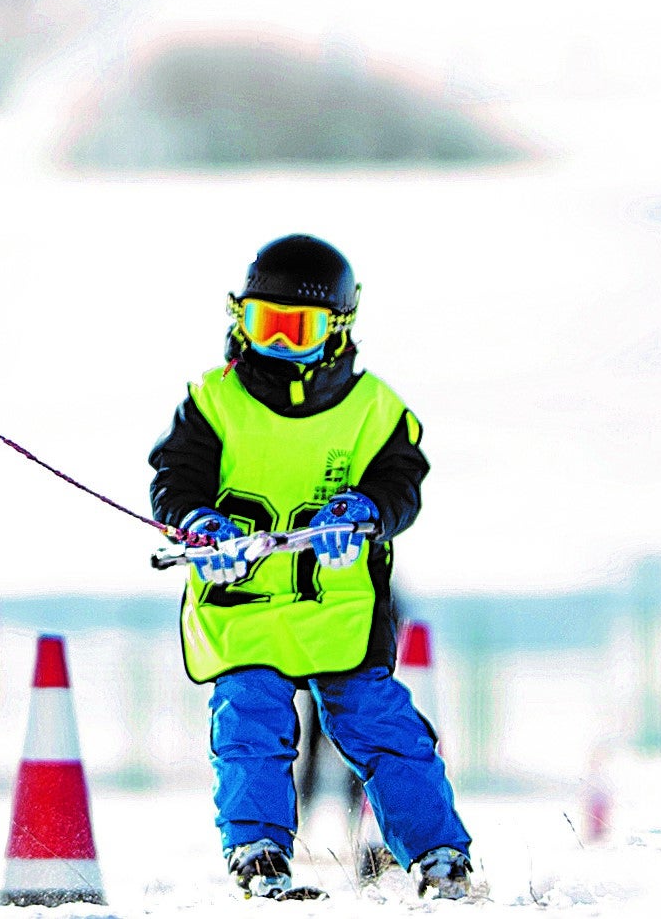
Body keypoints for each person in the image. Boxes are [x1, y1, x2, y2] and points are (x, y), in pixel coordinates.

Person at [148, 235, 474, 901]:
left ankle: (439, 855)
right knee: (249, 720)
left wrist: (368, 510)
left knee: (383, 726)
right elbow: (175, 477)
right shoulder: (212, 402)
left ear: (338, 333)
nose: (277, 345)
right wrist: (198, 521)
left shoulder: (373, 411)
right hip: (244, 612)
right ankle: (258, 850)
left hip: (338, 613)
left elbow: (403, 483)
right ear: (239, 320)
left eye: (300, 331)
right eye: (264, 326)